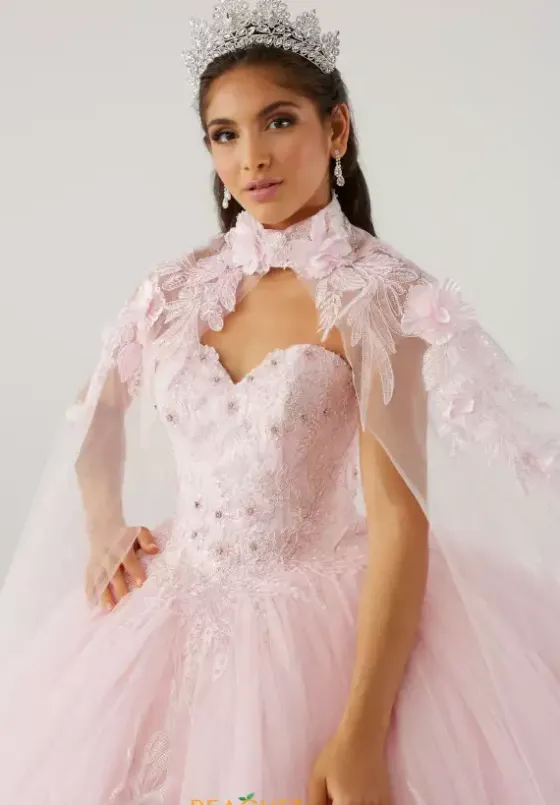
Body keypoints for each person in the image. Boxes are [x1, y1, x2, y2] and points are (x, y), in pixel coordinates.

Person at [1, 1, 559, 802]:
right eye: (224, 134)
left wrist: (359, 730)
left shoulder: (372, 298)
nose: (252, 157)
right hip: (172, 607)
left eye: (279, 121)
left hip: (314, 628)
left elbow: (400, 521)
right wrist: (103, 527)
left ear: (337, 130)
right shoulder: (178, 289)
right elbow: (96, 413)